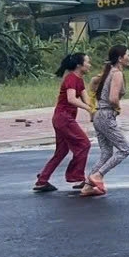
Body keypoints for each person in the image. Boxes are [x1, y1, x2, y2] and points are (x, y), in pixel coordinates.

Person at [34, 52, 94, 192]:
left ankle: (42, 180)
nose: (90, 65)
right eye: (87, 62)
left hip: (61, 118)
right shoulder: (71, 79)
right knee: (84, 144)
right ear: (79, 65)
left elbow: (87, 99)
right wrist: (88, 109)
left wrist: (95, 109)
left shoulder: (78, 79)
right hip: (64, 118)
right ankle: (77, 176)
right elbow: (71, 99)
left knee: (61, 152)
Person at [81, 45, 129, 197]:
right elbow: (113, 98)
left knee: (106, 153)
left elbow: (94, 84)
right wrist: (117, 107)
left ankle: (88, 186)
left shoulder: (108, 72)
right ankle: (98, 175)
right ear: (120, 58)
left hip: (99, 115)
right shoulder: (116, 73)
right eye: (127, 55)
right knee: (124, 149)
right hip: (106, 115)